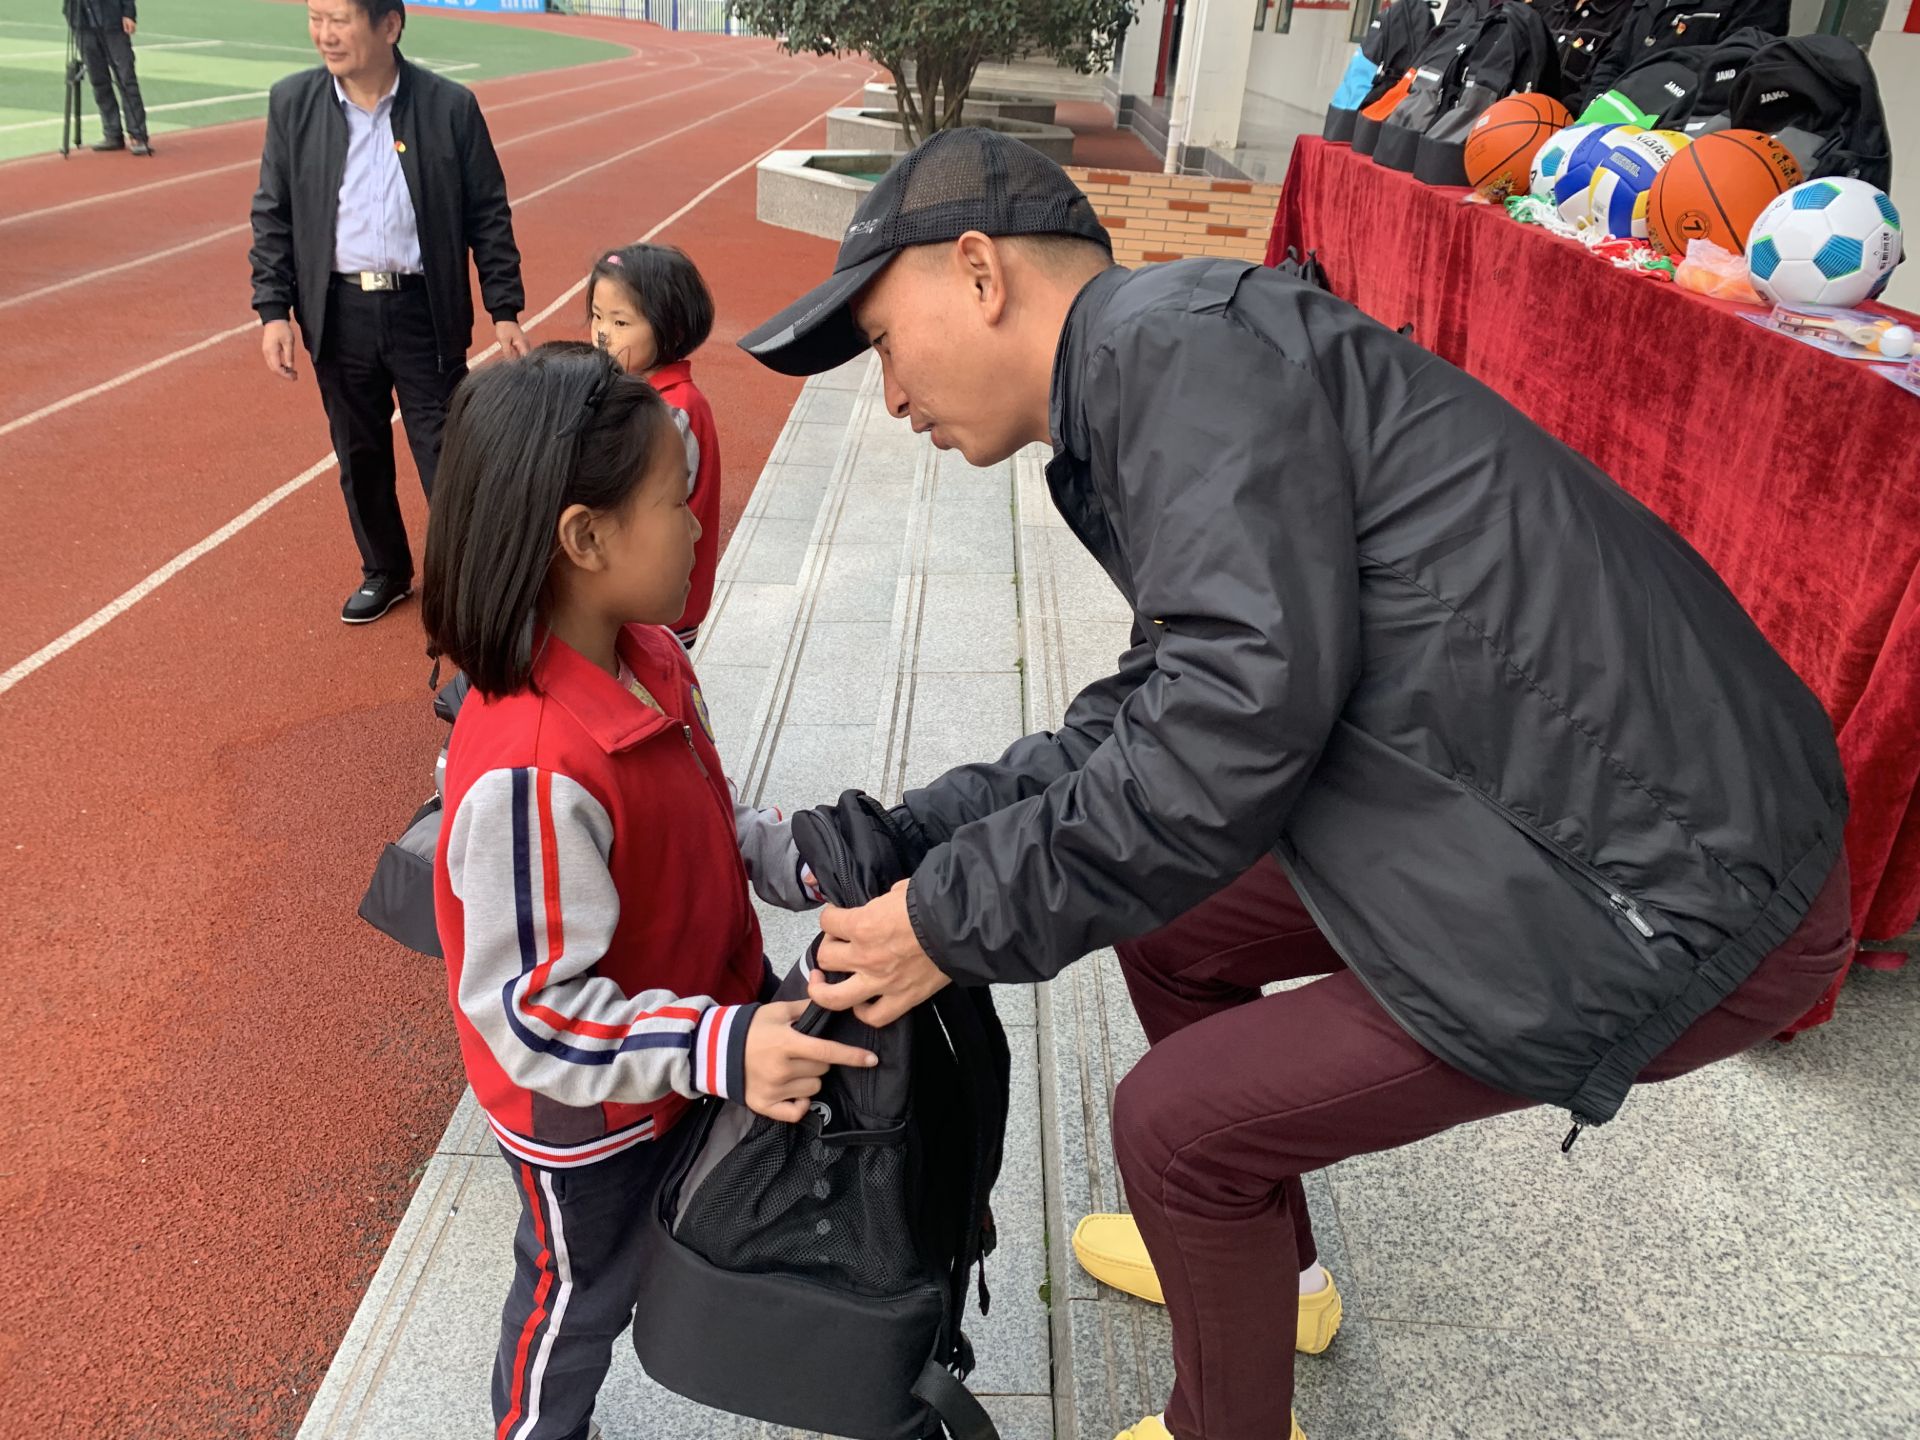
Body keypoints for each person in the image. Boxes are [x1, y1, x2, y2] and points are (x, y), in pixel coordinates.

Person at [738, 129, 1854, 1440]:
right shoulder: (1159, 358)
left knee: (1177, 1132)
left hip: (1664, 885)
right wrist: (913, 835)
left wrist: (944, 922)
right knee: (1170, 931)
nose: (889, 397)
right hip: (1561, 809)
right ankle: (1274, 1274)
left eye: (882, 342)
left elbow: (1225, 732)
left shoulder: (1171, 354)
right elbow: (1161, 708)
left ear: (980, 272)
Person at [424, 342, 874, 1440]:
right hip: (593, 1122)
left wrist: (790, 855)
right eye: (678, 501)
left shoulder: (650, 655)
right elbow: (535, 1013)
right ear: (584, 538)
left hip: (691, 1044)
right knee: (578, 1299)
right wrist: (721, 1043)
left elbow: (707, 816)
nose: (700, 524)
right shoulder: (535, 770)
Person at [248, 0, 530, 626]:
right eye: (316, 18)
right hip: (337, 309)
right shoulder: (293, 104)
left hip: (422, 310)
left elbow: (487, 212)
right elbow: (274, 214)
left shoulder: (449, 107)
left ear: (389, 26)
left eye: (339, 20)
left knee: (446, 452)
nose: (324, 34)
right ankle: (385, 570)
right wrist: (273, 310)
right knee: (359, 452)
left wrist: (504, 307)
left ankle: (469, 579)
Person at [586, 244, 724, 648]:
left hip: (658, 602)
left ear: (672, 330)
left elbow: (630, 504)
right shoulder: (636, 394)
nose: (602, 334)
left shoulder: (672, 412)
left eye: (620, 322)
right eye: (596, 316)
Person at [65, 0, 149, 156]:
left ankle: (138, 134)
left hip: (113, 20)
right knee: (98, 80)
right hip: (82, 21)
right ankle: (112, 132)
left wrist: (128, 13)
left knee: (126, 79)